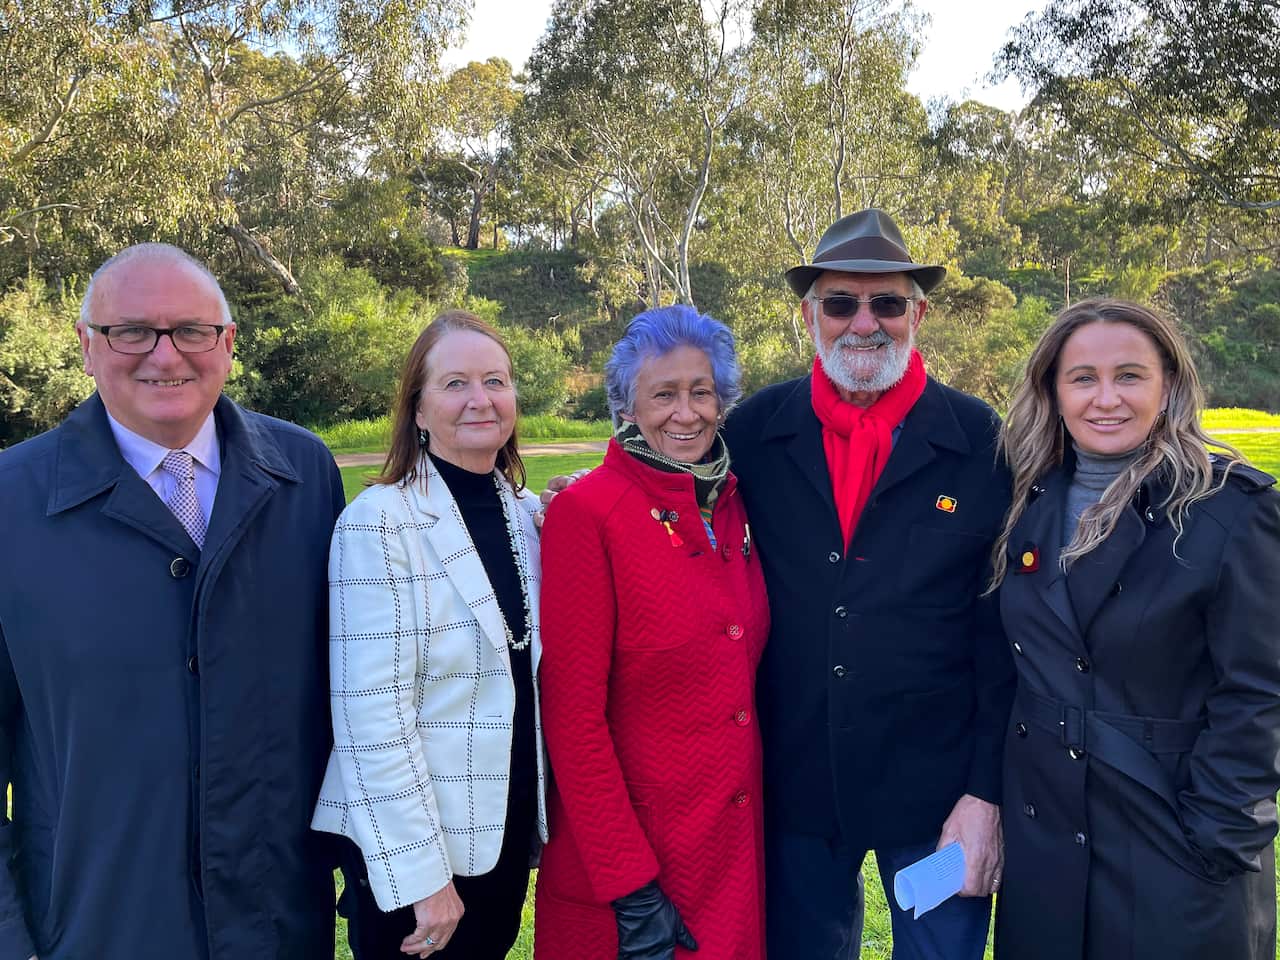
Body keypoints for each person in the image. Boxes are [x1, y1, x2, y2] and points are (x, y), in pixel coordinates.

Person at [0, 244, 345, 959]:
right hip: (95, 926)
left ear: (228, 343)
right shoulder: (11, 501)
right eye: (132, 332)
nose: (165, 356)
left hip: (279, 922)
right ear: (87, 345)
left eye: (191, 330)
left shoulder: (306, 473)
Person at [723, 208, 1015, 959]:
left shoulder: (983, 443)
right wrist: (577, 496)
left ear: (917, 314)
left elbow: (1004, 637)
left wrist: (985, 793)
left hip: (938, 793)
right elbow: (667, 494)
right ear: (808, 316)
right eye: (840, 303)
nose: (864, 323)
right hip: (796, 787)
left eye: (886, 302)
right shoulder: (753, 433)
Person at [989, 298, 1280, 960]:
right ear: (1053, 391)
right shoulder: (1027, 501)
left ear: (1168, 384)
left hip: (1170, 840)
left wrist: (1218, 835)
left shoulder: (1229, 510)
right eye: (1082, 378)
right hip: (1046, 845)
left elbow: (1260, 692)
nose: (1106, 398)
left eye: (1129, 375)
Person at [533, 305, 770, 960]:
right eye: (663, 394)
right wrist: (629, 885)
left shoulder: (733, 504)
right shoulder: (587, 512)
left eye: (701, 392)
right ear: (627, 406)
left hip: (731, 855)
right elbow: (572, 719)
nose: (686, 413)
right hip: (638, 869)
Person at [312, 310, 548, 959]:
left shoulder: (527, 516)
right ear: (417, 409)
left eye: (495, 381)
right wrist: (423, 878)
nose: (481, 399)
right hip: (417, 854)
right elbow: (370, 717)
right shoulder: (378, 523)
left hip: (500, 832)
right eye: (455, 384)